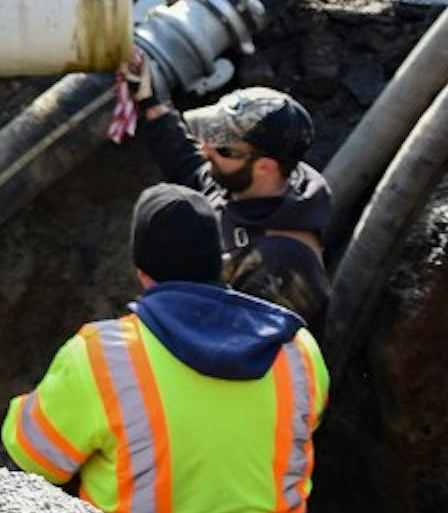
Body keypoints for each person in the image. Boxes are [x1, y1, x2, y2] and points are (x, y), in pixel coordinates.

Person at [2, 184, 328, 513]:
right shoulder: (297, 349)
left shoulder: (100, 357)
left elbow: (32, 460)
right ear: (220, 262)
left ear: (141, 272)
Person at [132, 79, 332, 330]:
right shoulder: (238, 185)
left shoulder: (282, 265)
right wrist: (149, 101)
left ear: (265, 166)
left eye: (223, 148)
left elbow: (235, 344)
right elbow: (189, 165)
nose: (206, 150)